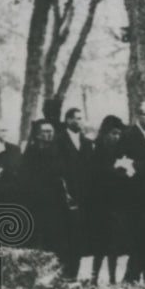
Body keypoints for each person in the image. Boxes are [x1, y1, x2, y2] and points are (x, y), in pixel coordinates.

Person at [118, 101, 145, 282]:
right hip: (137, 197)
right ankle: (131, 278)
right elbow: (126, 167)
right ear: (138, 115)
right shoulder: (128, 135)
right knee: (139, 240)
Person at [87, 115, 128, 284]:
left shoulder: (120, 150)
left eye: (118, 134)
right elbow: (94, 173)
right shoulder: (96, 149)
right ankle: (94, 275)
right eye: (113, 133)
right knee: (100, 241)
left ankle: (112, 277)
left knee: (114, 242)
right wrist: (114, 171)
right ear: (105, 133)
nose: (116, 137)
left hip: (116, 201)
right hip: (100, 201)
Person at [18, 119, 69, 255]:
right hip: (35, 201)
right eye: (45, 132)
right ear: (38, 135)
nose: (49, 134)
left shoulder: (58, 152)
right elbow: (24, 177)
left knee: (53, 236)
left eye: (51, 131)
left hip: (54, 200)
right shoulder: (30, 153)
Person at [56, 108, 93, 280]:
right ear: (67, 120)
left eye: (81, 118)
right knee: (65, 236)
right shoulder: (59, 140)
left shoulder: (86, 142)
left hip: (84, 196)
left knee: (78, 237)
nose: (79, 122)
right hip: (65, 196)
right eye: (75, 119)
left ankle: (73, 275)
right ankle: (62, 274)